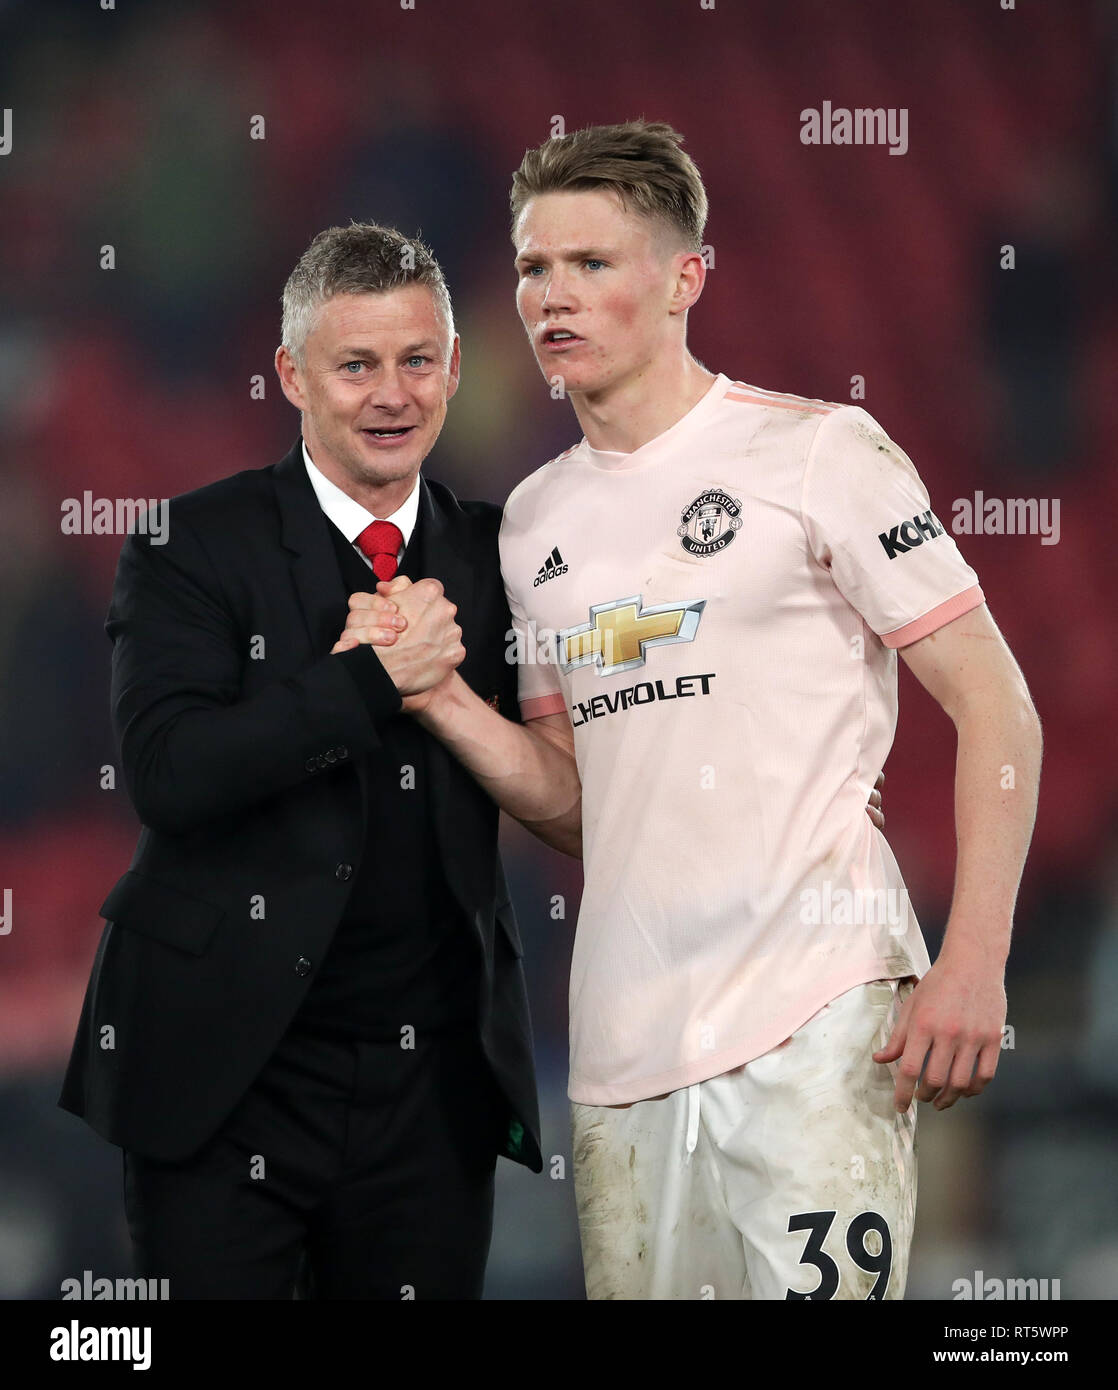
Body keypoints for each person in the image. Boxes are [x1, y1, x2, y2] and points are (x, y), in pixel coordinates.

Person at [346, 121, 1042, 1300]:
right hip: (623, 1050)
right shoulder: (531, 523)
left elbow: (999, 707)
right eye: (530, 268)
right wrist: (440, 700)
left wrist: (972, 957)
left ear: (684, 280)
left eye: (590, 264)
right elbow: (578, 799)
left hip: (818, 1012)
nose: (551, 297)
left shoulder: (818, 454)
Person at [58, 222, 542, 1299]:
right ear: (290, 373)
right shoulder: (187, 544)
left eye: (417, 361)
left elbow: (566, 770)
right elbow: (169, 774)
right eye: (355, 364)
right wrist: (372, 680)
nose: (391, 394)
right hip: (224, 1079)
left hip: (429, 1091)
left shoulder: (502, 553)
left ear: (456, 369)